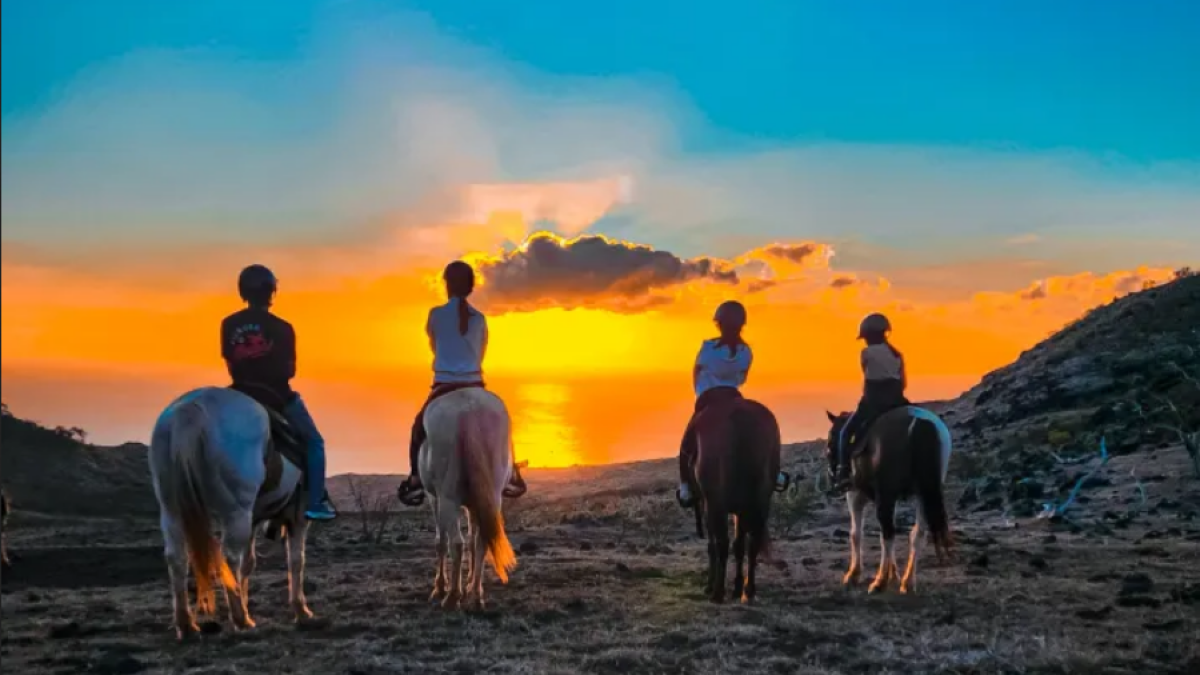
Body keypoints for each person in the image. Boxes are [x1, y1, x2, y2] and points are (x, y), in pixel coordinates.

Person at [396, 260, 526, 506]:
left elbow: (434, 345)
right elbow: (482, 351)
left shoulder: (435, 315)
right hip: (475, 384)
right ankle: (512, 475)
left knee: (418, 428)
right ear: (471, 287)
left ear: (447, 285)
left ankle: (415, 478)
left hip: (444, 386)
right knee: (504, 425)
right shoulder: (480, 319)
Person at [221, 264, 337, 521]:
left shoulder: (228, 324)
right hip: (276, 397)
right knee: (315, 443)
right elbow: (290, 371)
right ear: (271, 292)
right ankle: (316, 501)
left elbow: (230, 363)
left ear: (243, 291)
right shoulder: (283, 327)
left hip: (239, 394)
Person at [676, 300, 787, 507]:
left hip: (708, 397)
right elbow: (742, 378)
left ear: (719, 323)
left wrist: (701, 392)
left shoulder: (708, 347)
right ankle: (776, 474)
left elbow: (696, 372)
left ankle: (686, 487)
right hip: (733, 394)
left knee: (687, 444)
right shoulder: (746, 351)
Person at [832, 312, 911, 492]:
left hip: (873, 402)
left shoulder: (866, 353)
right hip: (897, 400)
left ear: (869, 336)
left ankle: (843, 472)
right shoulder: (897, 354)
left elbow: (867, 377)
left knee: (845, 432)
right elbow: (903, 383)